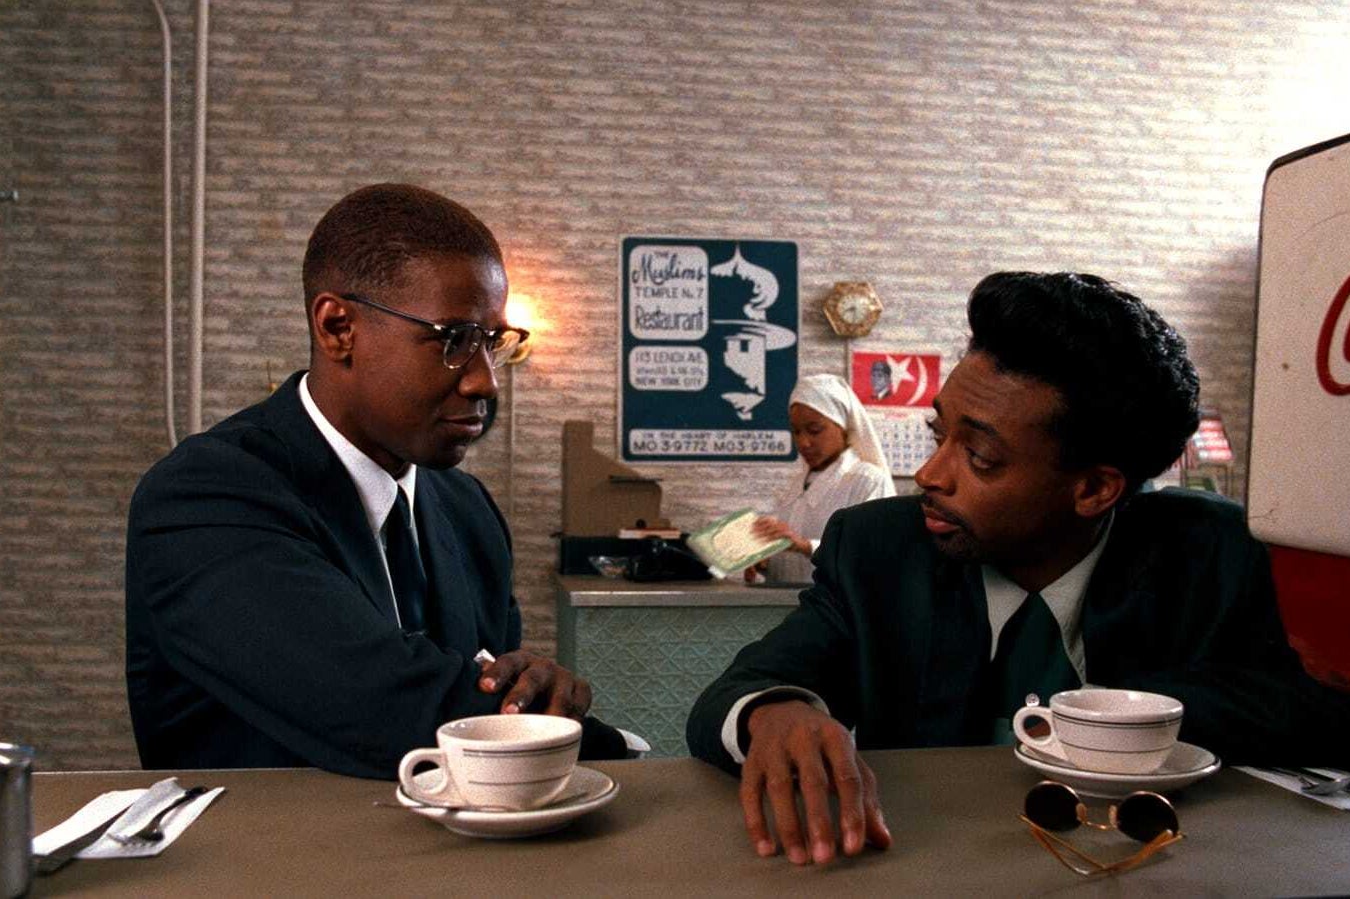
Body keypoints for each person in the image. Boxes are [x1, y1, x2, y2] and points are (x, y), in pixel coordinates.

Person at [687, 271, 1350, 866]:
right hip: (923, 866)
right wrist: (775, 712)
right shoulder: (880, 549)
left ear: (1094, 489)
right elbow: (741, 688)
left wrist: (1107, 720)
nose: (928, 474)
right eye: (936, 434)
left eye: (978, 455)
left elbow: (1314, 712)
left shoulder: (1208, 552)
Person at [126, 183, 596, 779]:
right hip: (260, 864)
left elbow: (490, 695)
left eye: (492, 342)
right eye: (453, 340)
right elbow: (382, 705)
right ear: (337, 327)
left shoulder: (468, 509)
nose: (485, 383)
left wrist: (533, 690)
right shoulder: (204, 494)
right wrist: (606, 744)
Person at [747, 374, 895, 583]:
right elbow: (793, 565)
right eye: (796, 432)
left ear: (842, 425)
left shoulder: (867, 481)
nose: (803, 442)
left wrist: (806, 546)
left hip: (841, 613)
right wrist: (765, 561)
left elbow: (874, 554)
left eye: (814, 430)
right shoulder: (796, 487)